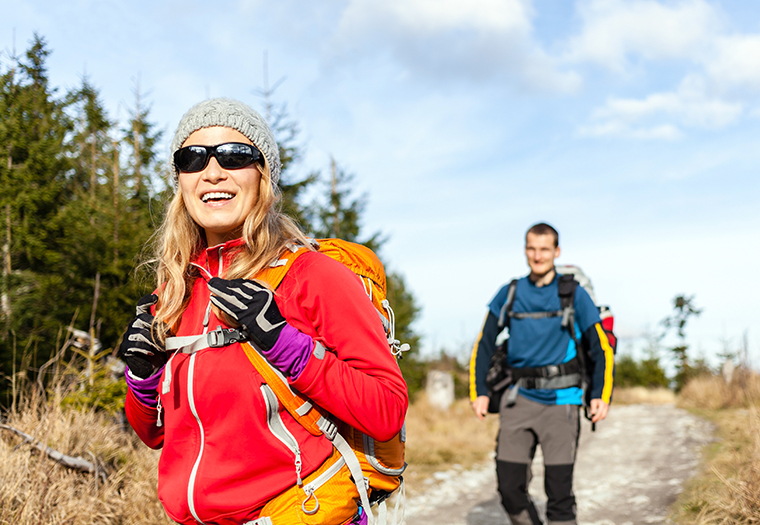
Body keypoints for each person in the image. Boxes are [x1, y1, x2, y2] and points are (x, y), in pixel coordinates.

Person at [119, 98, 408, 525]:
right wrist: (142, 378)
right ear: (179, 180)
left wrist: (285, 345)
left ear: (263, 175)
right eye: (193, 158)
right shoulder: (177, 290)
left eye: (235, 156)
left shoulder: (311, 275)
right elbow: (155, 434)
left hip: (299, 513)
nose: (212, 172)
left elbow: (385, 410)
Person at [469, 223, 614, 525]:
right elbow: (483, 343)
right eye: (532, 248)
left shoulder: (574, 293)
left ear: (556, 252)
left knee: (559, 494)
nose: (538, 255)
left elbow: (600, 346)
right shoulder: (510, 292)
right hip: (517, 400)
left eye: (544, 249)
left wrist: (600, 394)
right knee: (509, 489)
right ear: (525, 250)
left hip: (562, 403)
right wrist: (479, 392)